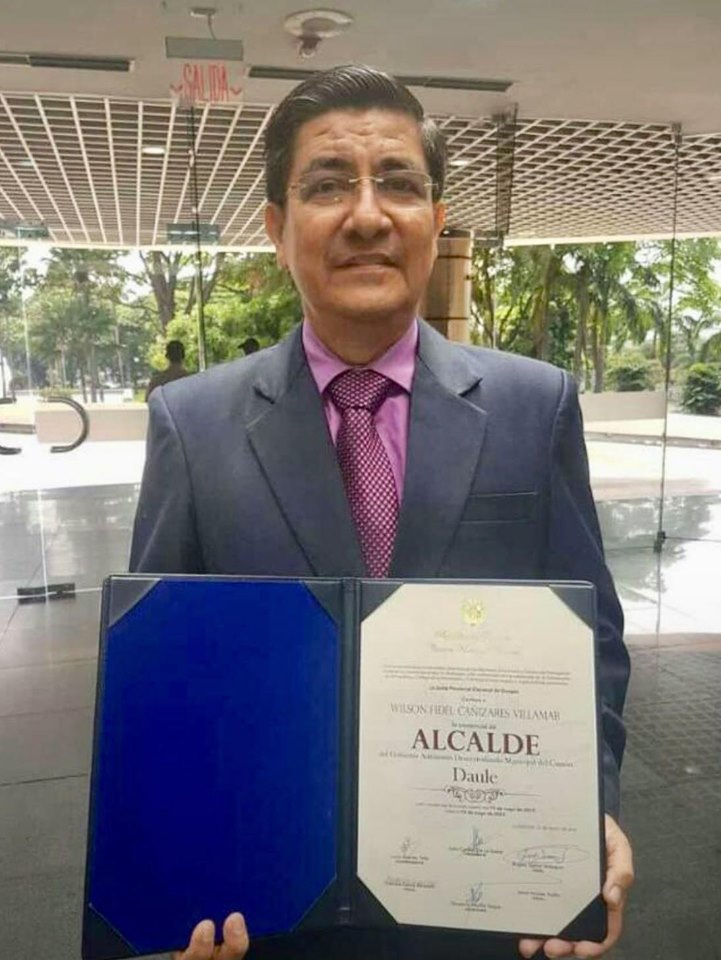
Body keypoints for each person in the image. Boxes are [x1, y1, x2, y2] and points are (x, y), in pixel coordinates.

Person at [130, 65, 633, 960]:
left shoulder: (535, 406)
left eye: (397, 183)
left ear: (435, 221)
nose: (367, 215)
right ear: (277, 229)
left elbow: (587, 640)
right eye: (328, 186)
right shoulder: (192, 425)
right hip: (265, 908)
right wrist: (159, 885)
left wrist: (583, 814)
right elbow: (159, 672)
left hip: (482, 906)